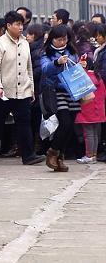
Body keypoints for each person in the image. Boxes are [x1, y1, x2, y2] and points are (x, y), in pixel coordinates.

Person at [0, 11, 45, 165]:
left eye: (21, 24)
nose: (20, 27)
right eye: (17, 24)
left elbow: (28, 67)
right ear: (8, 26)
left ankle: (28, 156)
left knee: (24, 122)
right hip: (4, 91)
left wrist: (31, 88)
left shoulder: (24, 43)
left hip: (22, 90)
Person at [40, 25, 83, 172]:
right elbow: (45, 69)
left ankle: (60, 158)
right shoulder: (47, 53)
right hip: (56, 91)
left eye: (65, 39)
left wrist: (81, 65)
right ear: (52, 39)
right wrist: (57, 63)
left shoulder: (72, 51)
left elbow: (76, 69)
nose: (63, 42)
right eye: (59, 39)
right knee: (64, 123)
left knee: (70, 126)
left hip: (72, 92)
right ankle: (52, 152)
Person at [75, 61, 106, 164]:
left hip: (86, 109)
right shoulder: (98, 77)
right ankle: (94, 155)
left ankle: (89, 155)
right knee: (95, 134)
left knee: (88, 134)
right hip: (98, 110)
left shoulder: (84, 77)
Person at [26, 24, 45, 153]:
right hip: (36, 89)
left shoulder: (36, 51)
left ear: (35, 35)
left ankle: (37, 146)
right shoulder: (33, 48)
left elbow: (39, 70)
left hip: (37, 89)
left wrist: (27, 74)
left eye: (29, 34)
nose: (26, 36)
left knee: (35, 119)